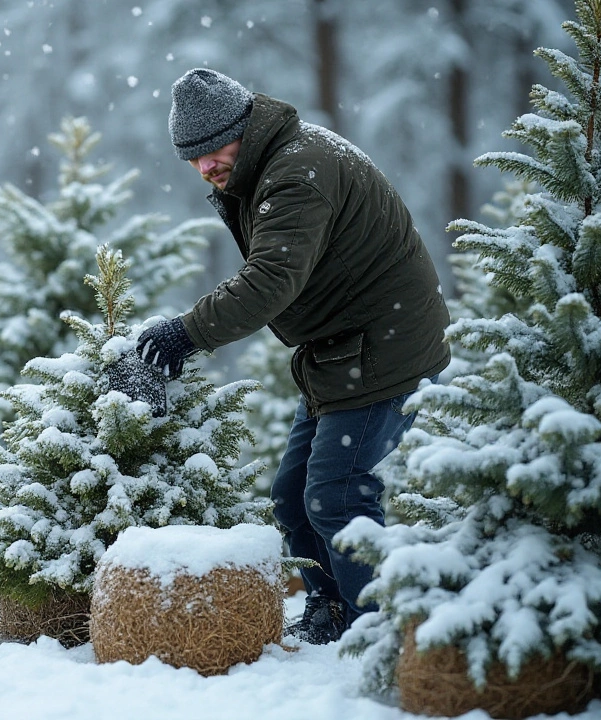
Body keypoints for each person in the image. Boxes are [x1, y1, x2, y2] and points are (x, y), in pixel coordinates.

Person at [137, 68, 451, 644]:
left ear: (244, 130)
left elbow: (271, 280)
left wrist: (185, 334)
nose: (204, 166)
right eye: (193, 158)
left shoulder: (296, 172)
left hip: (384, 348)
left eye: (212, 150)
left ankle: (378, 634)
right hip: (338, 352)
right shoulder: (276, 161)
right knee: (291, 495)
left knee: (336, 494)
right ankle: (329, 609)